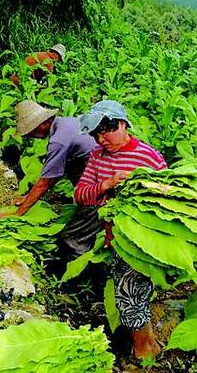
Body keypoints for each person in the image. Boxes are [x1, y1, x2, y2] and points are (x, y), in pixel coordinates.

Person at [75, 100, 167, 361]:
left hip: (142, 241)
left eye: (108, 129)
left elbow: (171, 198)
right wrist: (106, 184)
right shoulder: (96, 157)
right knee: (131, 294)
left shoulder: (147, 156)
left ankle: (142, 354)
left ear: (124, 124)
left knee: (128, 293)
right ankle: (150, 345)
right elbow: (80, 195)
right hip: (114, 238)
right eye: (96, 134)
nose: (102, 138)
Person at [0, 101, 96, 247]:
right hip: (97, 178)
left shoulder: (58, 141)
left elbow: (45, 182)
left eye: (30, 130)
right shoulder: (67, 122)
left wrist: (17, 214)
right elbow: (56, 173)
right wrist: (29, 197)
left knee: (70, 238)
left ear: (42, 124)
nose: (31, 135)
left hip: (99, 187)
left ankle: (83, 263)